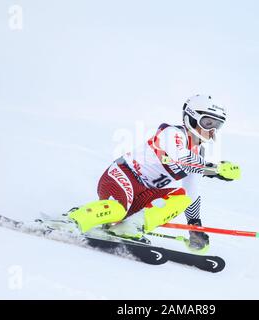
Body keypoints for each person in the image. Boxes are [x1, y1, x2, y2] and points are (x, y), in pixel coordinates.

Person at [59, 94, 240, 252]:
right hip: (122, 176)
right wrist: (214, 169)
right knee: (117, 209)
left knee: (181, 198)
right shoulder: (172, 133)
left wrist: (194, 227)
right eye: (207, 123)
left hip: (144, 192)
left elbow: (191, 192)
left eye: (217, 125)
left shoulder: (199, 154)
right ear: (190, 118)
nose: (211, 131)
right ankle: (72, 220)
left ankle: (129, 228)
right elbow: (180, 157)